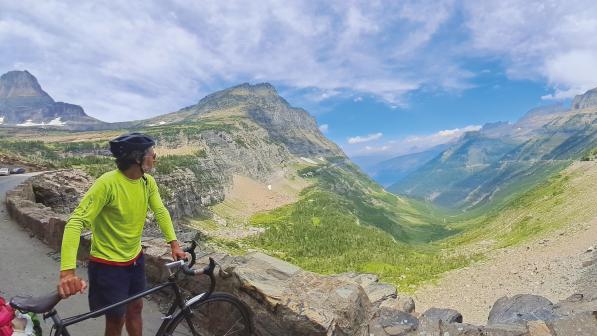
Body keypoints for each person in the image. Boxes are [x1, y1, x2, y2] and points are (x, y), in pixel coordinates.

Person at [57, 132, 186, 336]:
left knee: (136, 309)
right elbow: (76, 223)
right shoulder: (107, 184)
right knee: (116, 320)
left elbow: (160, 211)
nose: (156, 156)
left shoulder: (147, 182)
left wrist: (174, 243)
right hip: (108, 266)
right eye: (152, 153)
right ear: (137, 158)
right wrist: (67, 272)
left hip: (135, 260)